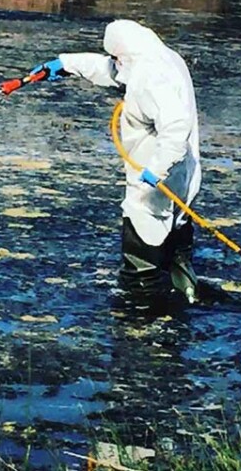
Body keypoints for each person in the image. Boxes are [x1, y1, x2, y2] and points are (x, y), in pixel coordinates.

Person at [29, 20, 204, 304]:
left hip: (154, 187)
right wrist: (65, 64)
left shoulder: (151, 79)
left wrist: (156, 171)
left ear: (125, 54)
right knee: (175, 255)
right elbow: (112, 71)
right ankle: (179, 316)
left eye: (116, 58)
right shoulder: (161, 58)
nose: (114, 63)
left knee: (141, 270)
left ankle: (140, 326)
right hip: (183, 179)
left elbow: (176, 128)